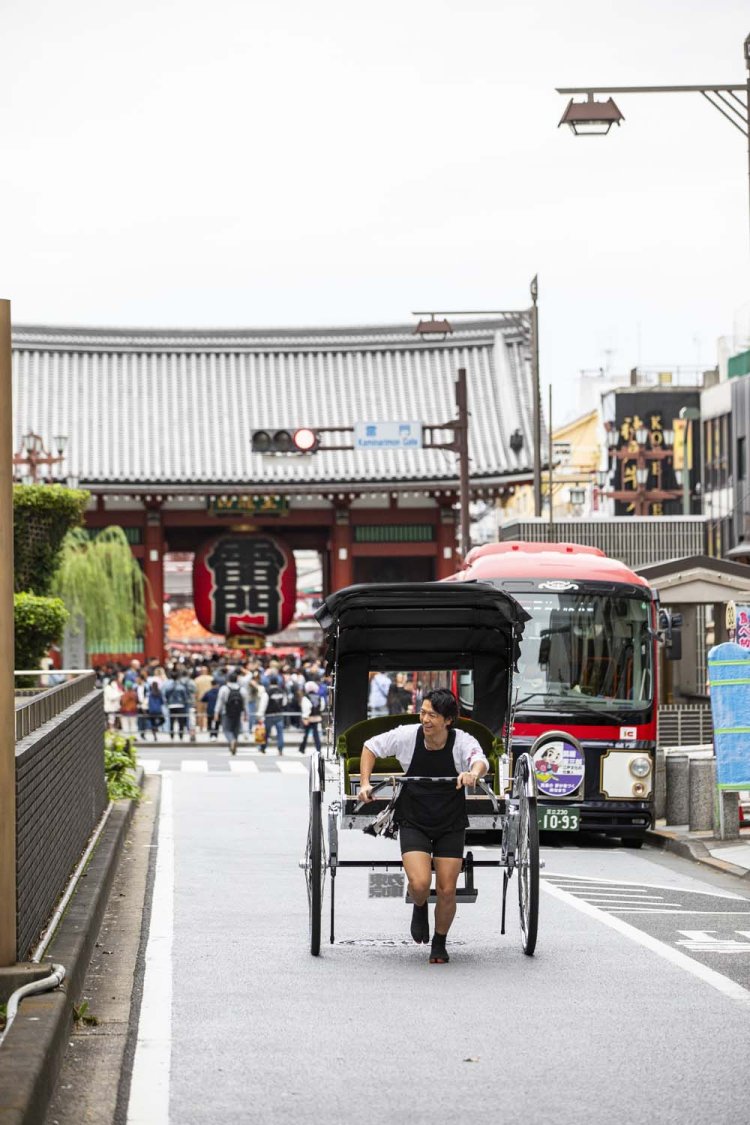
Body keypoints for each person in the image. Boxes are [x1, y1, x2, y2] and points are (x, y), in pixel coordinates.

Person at [358, 688, 488, 965]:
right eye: (423, 712)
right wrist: (366, 782)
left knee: (447, 889)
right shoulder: (408, 735)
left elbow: (480, 761)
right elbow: (370, 746)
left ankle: (439, 942)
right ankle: (419, 905)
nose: (425, 719)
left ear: (449, 720)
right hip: (414, 817)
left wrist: (472, 774)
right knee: (419, 883)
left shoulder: (462, 741)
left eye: (433, 714)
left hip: (450, 821)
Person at [215, 671, 248, 755]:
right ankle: (234, 744)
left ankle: (231, 741)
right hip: (238, 712)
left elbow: (220, 702)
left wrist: (216, 712)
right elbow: (245, 703)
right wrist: (246, 714)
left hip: (227, 712)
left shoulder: (224, 689)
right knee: (235, 730)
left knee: (226, 729)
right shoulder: (242, 689)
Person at [257, 669, 287, 754]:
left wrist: (260, 715)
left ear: (270, 682)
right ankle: (280, 749)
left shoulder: (267, 692)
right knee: (280, 733)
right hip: (279, 714)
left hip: (269, 715)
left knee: (266, 733)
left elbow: (263, 704)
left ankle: (263, 747)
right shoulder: (282, 691)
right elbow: (284, 703)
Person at [298, 681, 324, 754]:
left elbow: (306, 708)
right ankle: (318, 748)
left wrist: (305, 717)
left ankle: (302, 748)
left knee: (306, 734)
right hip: (316, 717)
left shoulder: (306, 697)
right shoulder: (319, 697)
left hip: (308, 718)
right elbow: (322, 707)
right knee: (316, 734)